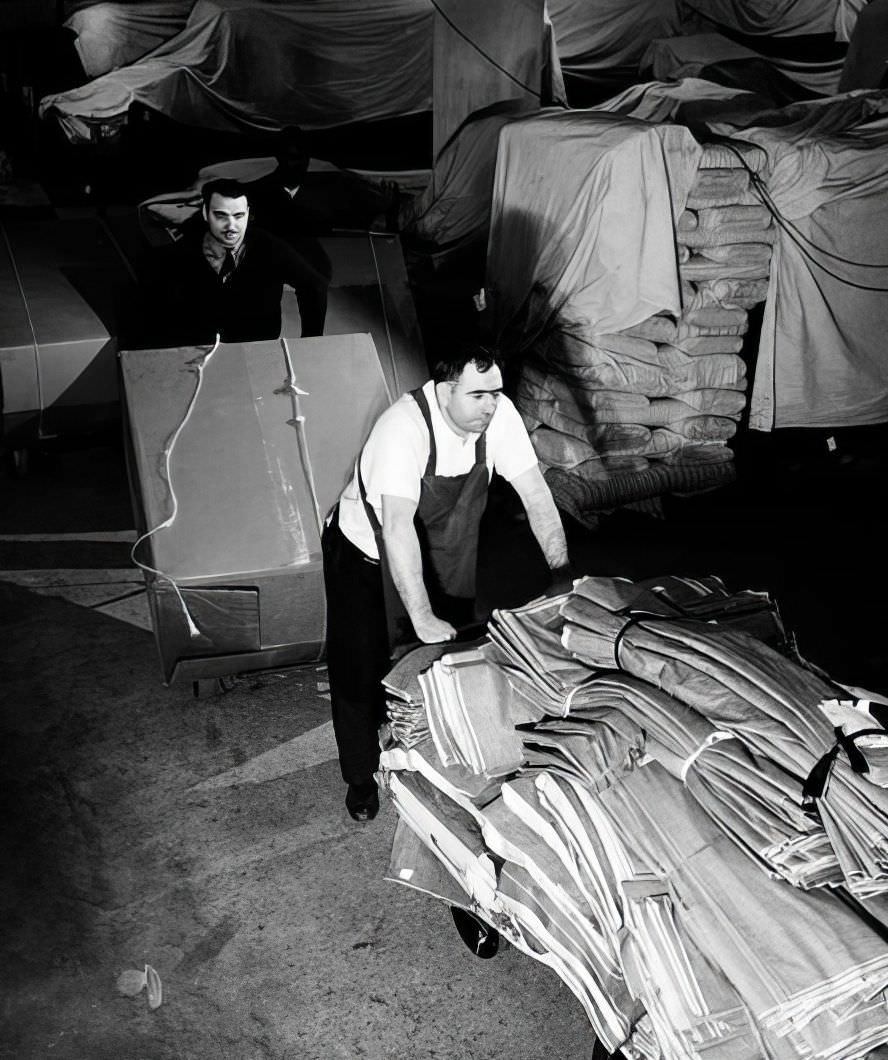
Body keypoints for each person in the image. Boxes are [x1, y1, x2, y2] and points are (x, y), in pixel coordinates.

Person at [321, 345, 572, 823]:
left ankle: (438, 766)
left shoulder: (497, 418)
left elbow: (536, 493)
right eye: (477, 395)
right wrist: (420, 617)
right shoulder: (402, 429)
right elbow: (396, 528)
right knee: (359, 663)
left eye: (496, 393)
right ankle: (359, 776)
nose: (491, 405)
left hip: (443, 545)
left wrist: (561, 575)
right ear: (444, 390)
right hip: (365, 546)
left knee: (449, 664)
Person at [141, 177, 330, 347]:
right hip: (198, 346)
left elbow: (315, 286)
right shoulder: (184, 250)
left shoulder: (268, 246)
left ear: (248, 213)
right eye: (221, 216)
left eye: (238, 216)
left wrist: (310, 343)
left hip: (257, 343)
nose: (231, 226)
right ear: (206, 214)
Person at [245, 125, 402, 238]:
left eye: (304, 158)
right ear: (279, 157)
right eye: (293, 157)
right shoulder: (260, 193)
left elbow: (348, 227)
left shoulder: (325, 192)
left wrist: (383, 209)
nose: (299, 164)